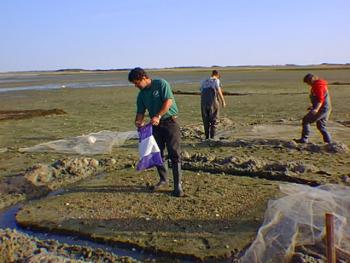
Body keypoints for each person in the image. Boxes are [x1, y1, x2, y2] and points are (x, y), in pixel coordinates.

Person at [128, 67, 184, 197]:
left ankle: (178, 186)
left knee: (174, 153)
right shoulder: (141, 95)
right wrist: (138, 122)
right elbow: (140, 112)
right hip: (155, 126)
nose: (136, 86)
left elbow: (168, 101)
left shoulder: (161, 84)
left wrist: (157, 116)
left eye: (136, 83)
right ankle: (163, 179)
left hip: (170, 123)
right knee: (157, 153)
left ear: (143, 77)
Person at [294, 73, 332, 144]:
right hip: (326, 108)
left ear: (311, 80)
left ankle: (304, 139)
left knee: (306, 120)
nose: (308, 84)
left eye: (308, 82)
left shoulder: (318, 86)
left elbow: (320, 99)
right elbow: (318, 98)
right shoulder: (319, 85)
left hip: (322, 109)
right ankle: (329, 143)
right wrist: (313, 106)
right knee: (321, 126)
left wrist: (316, 109)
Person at [200, 70, 226, 140]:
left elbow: (201, 91)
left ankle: (206, 137)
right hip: (212, 102)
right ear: (217, 75)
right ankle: (212, 138)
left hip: (203, 103)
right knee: (214, 120)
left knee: (205, 120)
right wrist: (223, 101)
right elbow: (218, 90)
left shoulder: (204, 80)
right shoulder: (216, 80)